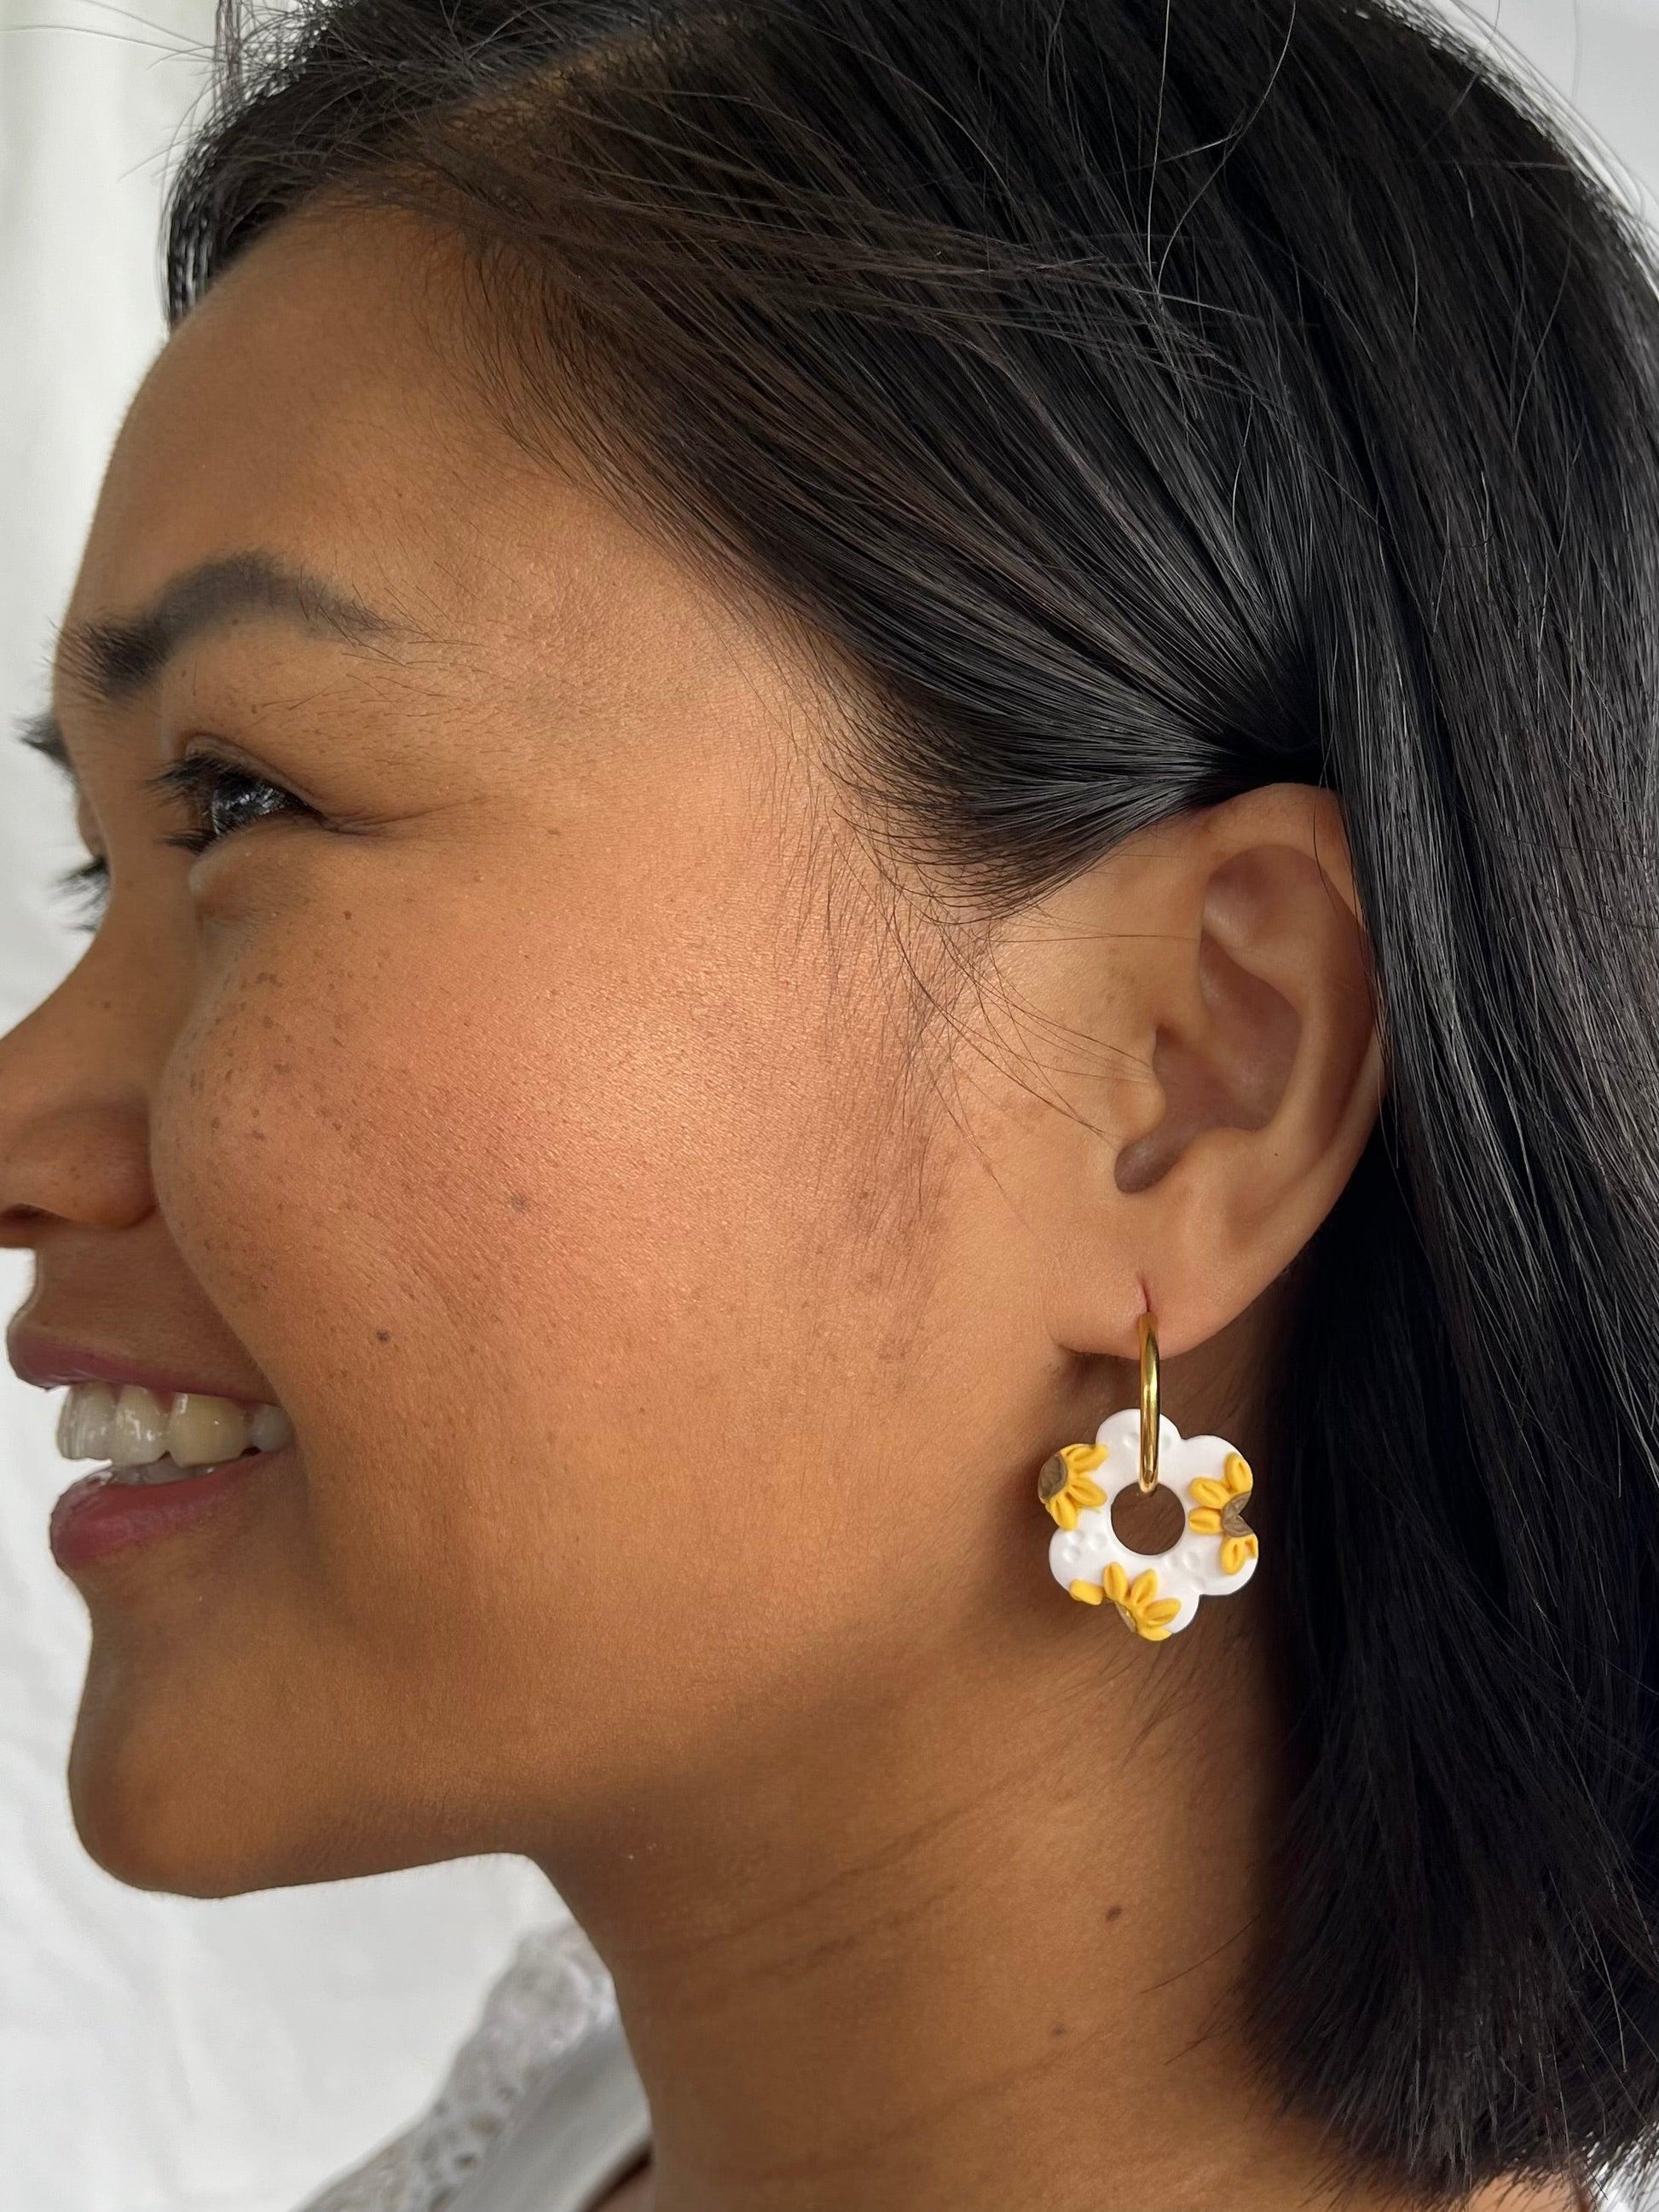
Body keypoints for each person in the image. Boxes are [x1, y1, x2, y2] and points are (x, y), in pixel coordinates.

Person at [5, 0, 1659, 2204]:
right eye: (107, 858)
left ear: (1191, 1075)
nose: (25, 1129)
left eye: (242, 803)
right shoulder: (543, 2145)